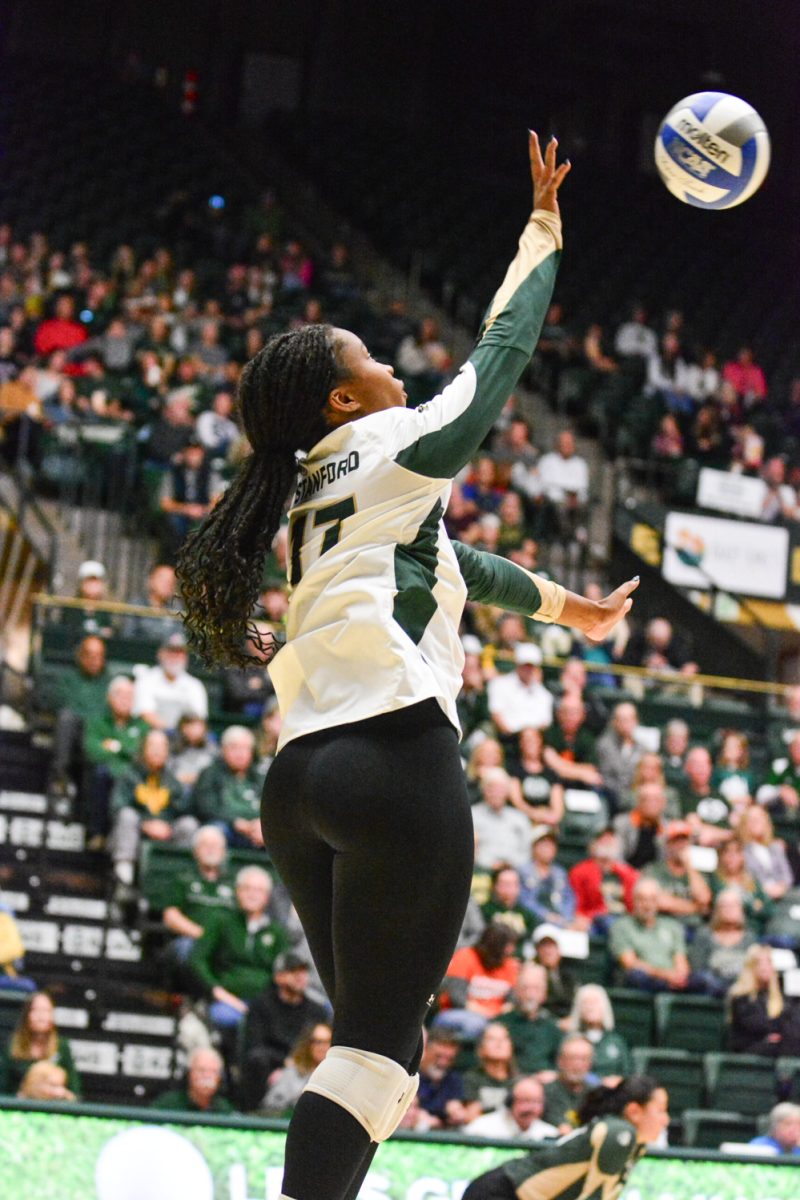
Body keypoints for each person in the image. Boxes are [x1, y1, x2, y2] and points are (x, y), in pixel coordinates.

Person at [176, 132, 637, 1200]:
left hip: (297, 788)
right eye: (370, 360)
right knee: (378, 1057)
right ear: (344, 401)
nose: (390, 366)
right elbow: (496, 364)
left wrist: (568, 608)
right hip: (392, 761)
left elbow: (445, 562)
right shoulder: (389, 449)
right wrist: (541, 235)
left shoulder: (298, 493)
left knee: (378, 1058)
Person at [462, 1075, 669, 1200]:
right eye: (660, 1110)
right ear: (634, 1111)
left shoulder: (631, 1141)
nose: (665, 1119)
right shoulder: (619, 1133)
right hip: (501, 1193)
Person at [189, 866, 291, 1031]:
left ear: (267, 897)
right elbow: (197, 959)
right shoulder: (221, 921)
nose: (252, 894)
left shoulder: (276, 931)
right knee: (224, 1018)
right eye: (247, 888)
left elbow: (284, 968)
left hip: (266, 1002)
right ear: (237, 892)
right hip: (226, 1000)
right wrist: (217, 990)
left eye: (258, 890)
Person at [239, 951, 330, 1111]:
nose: (300, 976)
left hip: (309, 1067)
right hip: (273, 1066)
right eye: (293, 971)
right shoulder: (261, 1006)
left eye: (303, 971)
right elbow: (254, 1045)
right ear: (278, 977)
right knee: (256, 1060)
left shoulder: (316, 1010)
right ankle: (255, 1114)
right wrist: (284, 1063)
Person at [109, 728, 198, 889]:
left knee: (189, 824)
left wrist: (167, 826)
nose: (157, 751)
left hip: (165, 829)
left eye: (162, 746)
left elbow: (183, 809)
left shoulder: (172, 780)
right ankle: (124, 864)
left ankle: (181, 871)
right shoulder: (129, 775)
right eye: (153, 746)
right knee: (126, 815)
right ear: (143, 749)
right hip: (135, 829)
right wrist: (145, 823)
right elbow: (117, 806)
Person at [161, 824, 235, 987]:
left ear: (224, 853)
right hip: (190, 939)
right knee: (190, 950)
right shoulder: (183, 878)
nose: (211, 850)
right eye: (205, 845)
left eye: (216, 846)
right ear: (195, 851)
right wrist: (202, 935)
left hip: (225, 943)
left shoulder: (233, 883)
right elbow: (171, 916)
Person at [435, 925, 520, 1039]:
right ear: (496, 945)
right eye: (508, 946)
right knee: (476, 1025)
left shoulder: (510, 964)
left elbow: (512, 1000)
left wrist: (500, 1014)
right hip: (458, 1013)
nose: (511, 950)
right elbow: (457, 998)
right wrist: (488, 1014)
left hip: (497, 1018)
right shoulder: (465, 956)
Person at [609, 878, 691, 993]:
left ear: (658, 902)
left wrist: (679, 976)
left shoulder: (673, 926)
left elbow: (681, 960)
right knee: (637, 975)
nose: (647, 905)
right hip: (645, 982)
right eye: (642, 899)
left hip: (673, 981)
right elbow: (630, 963)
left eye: (652, 899)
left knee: (702, 980)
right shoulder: (621, 926)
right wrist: (666, 975)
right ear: (633, 900)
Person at [0, 991, 81, 1096]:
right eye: (35, 1010)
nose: (41, 1016)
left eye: (46, 1010)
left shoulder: (62, 1047)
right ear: (27, 1015)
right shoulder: (12, 1046)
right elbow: (3, 1089)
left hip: (54, 1108)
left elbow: (75, 1091)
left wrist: (63, 1094)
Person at [727, 943, 800, 1056]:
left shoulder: (782, 995)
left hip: (778, 1045)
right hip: (749, 1047)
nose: (764, 967)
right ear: (750, 966)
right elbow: (756, 1025)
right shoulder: (741, 996)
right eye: (758, 963)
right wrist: (779, 1031)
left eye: (769, 962)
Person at [133, 632, 209, 732]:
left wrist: (177, 736)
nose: (175, 656)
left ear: (185, 656)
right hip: (152, 734)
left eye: (179, 652)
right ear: (160, 653)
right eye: (171, 651)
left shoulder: (194, 685)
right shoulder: (146, 680)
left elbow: (199, 718)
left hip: (183, 739)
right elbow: (145, 713)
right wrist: (169, 732)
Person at [687, 889, 756, 998]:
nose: (729, 910)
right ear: (716, 911)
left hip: (742, 992)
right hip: (711, 992)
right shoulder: (704, 935)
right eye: (724, 906)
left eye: (733, 906)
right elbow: (697, 969)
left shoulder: (750, 938)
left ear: (741, 910)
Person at [568, 829, 638, 936]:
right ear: (593, 846)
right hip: (595, 920)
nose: (607, 842)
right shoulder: (580, 872)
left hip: (624, 919)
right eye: (603, 839)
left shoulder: (628, 873)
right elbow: (576, 905)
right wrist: (582, 918)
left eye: (611, 839)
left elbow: (633, 906)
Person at [497, 962, 561, 1074]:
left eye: (536, 989)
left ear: (544, 994)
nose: (530, 995)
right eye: (525, 988)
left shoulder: (553, 1028)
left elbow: (558, 1063)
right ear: (516, 991)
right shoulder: (500, 1024)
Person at [259, 1023, 334, 1117]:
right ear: (308, 1045)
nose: (323, 1047)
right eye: (318, 1042)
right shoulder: (291, 1073)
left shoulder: (337, 1076)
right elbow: (271, 1105)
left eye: (328, 1042)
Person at [563, 984, 632, 1079]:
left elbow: (627, 1072)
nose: (590, 1007)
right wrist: (597, 1082)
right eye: (585, 1003)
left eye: (594, 1002)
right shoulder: (569, 1041)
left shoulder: (616, 1041)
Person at [464, 1075, 558, 1142]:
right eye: (524, 1101)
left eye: (537, 1102)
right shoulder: (480, 1129)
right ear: (509, 1102)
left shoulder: (550, 1134)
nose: (530, 1108)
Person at [488, 642, 554, 736]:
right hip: (507, 738)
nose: (528, 669)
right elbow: (496, 715)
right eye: (525, 665)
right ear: (517, 664)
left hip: (534, 742)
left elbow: (545, 723)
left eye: (531, 666)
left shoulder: (545, 694)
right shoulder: (499, 684)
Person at [519, 827, 577, 928]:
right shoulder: (523, 871)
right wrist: (545, 915)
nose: (548, 848)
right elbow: (524, 901)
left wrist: (566, 918)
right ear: (534, 847)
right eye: (544, 844)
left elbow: (569, 899)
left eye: (551, 844)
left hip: (561, 921)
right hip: (533, 922)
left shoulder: (560, 873)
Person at [461, 1022, 519, 1123]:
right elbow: (472, 1118)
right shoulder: (471, 1078)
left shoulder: (519, 1082)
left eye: (504, 1038)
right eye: (492, 1039)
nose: (499, 1043)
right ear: (480, 1049)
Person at [151, 1046, 234, 1114]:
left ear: (220, 1077)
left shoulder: (225, 1109)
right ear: (190, 1073)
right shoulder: (167, 1105)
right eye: (201, 1070)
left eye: (213, 1072)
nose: (207, 1076)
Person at [541, 1033, 596, 1131]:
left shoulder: (596, 1094)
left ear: (590, 1064)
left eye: (584, 1059)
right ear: (560, 1061)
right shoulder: (545, 1093)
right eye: (573, 1058)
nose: (578, 1065)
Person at [416, 1029, 468, 1129]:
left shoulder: (454, 1080)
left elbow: (458, 1110)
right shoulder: (411, 1076)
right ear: (425, 1050)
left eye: (449, 1059)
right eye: (438, 1056)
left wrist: (457, 1114)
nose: (443, 1063)